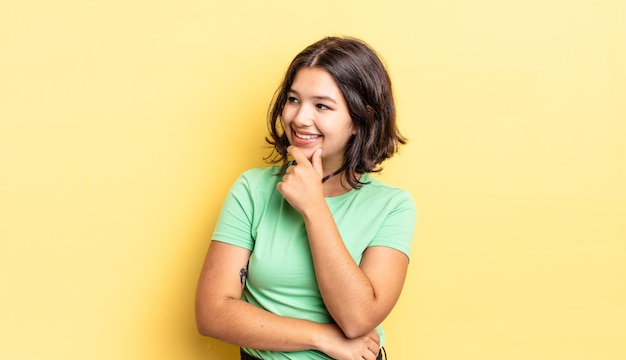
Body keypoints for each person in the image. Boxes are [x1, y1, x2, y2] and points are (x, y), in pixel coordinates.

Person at [195, 36, 417, 360]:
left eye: (322, 105)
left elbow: (357, 319)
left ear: (360, 118)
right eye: (294, 100)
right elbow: (212, 312)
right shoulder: (252, 190)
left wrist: (314, 207)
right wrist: (324, 338)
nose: (299, 118)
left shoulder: (393, 207)